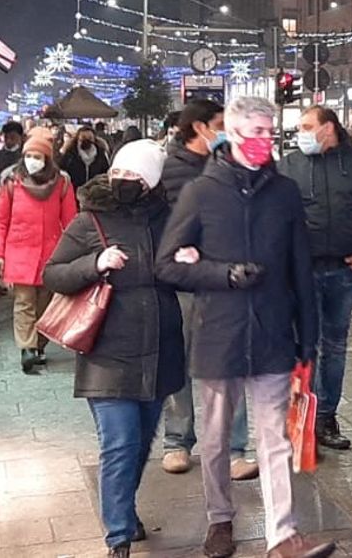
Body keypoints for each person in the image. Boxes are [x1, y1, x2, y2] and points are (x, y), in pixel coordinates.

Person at [158, 96, 335, 558]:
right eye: (255, 132)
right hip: (220, 331)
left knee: (273, 438)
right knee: (215, 438)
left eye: (268, 131)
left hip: (275, 330)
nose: (264, 140)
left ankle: (283, 534)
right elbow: (167, 265)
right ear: (230, 134)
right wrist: (222, 274)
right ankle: (220, 520)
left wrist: (308, 337)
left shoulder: (285, 192)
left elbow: (301, 266)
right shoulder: (201, 192)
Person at [43, 140, 185, 558]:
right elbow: (53, 274)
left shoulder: (170, 219)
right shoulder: (90, 220)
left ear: (153, 183)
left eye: (136, 177)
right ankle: (118, 536)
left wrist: (190, 262)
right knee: (119, 443)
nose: (125, 182)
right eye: (121, 173)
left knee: (141, 443)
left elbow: (183, 275)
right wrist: (96, 263)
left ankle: (124, 507)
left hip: (160, 348)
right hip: (108, 351)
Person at [157, 99, 253, 480]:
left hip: (226, 280)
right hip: (182, 282)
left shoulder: (234, 165)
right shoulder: (167, 169)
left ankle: (235, 448)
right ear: (199, 127)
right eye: (219, 123)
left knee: (231, 363)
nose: (226, 130)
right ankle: (177, 442)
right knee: (177, 361)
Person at [279, 105, 352, 452]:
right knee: (304, 347)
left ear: (328, 128)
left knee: (335, 347)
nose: (300, 132)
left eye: (307, 125)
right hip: (302, 272)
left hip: (343, 270)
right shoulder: (289, 165)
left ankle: (326, 419)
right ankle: (300, 423)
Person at [0, 129, 77, 374]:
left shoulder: (62, 183)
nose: (32, 160)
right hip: (19, 252)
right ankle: (27, 349)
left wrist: (72, 253)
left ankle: (39, 344)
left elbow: (70, 221)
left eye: (38, 156)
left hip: (52, 253)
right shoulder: (10, 182)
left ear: (47, 158)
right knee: (24, 302)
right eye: (29, 155)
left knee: (46, 304)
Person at [61, 125, 112, 189]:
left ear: (94, 139)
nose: (87, 140)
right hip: (73, 191)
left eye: (90, 138)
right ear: (77, 139)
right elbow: (63, 173)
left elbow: (105, 174)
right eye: (83, 137)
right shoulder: (69, 155)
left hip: (94, 193)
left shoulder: (101, 155)